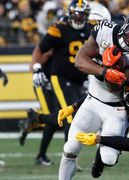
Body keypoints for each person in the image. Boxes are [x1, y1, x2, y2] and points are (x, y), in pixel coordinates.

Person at [58, 12, 129, 180]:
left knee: (108, 158)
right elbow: (80, 60)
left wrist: (112, 70)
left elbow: (114, 87)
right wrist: (105, 70)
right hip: (93, 100)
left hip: (116, 108)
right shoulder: (105, 30)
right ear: (127, 25)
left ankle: (100, 160)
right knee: (71, 147)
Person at [19, 0, 92, 166]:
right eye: (76, 14)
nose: (79, 18)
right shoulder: (58, 31)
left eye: (82, 15)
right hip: (49, 81)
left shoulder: (89, 30)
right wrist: (37, 69)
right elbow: (39, 53)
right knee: (69, 118)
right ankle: (68, 158)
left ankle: (37, 119)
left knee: (63, 117)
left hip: (74, 80)